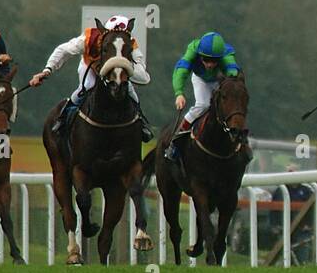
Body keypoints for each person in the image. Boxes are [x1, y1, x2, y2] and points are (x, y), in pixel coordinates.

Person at [29, 14, 153, 141]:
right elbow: (63, 50)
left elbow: (143, 76)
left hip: (116, 71)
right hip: (91, 65)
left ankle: (141, 122)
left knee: (130, 91)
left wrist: (126, 64)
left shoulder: (130, 43)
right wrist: (47, 70)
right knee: (87, 86)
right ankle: (63, 119)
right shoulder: (88, 39)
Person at [165, 31, 242, 162]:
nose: (210, 65)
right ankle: (176, 140)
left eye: (214, 61)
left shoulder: (226, 54)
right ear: (200, 55)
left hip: (220, 80)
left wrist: (231, 81)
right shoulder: (193, 50)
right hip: (201, 79)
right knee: (203, 105)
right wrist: (179, 93)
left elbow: (232, 71)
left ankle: (241, 141)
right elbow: (181, 71)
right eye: (206, 60)